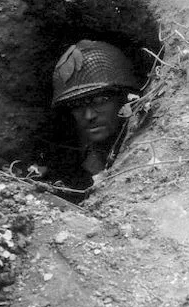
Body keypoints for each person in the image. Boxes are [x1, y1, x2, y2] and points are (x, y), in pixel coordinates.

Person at [50, 40, 141, 195]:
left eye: (100, 101)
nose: (89, 115)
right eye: (76, 105)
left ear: (125, 98)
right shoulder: (83, 166)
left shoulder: (144, 151)